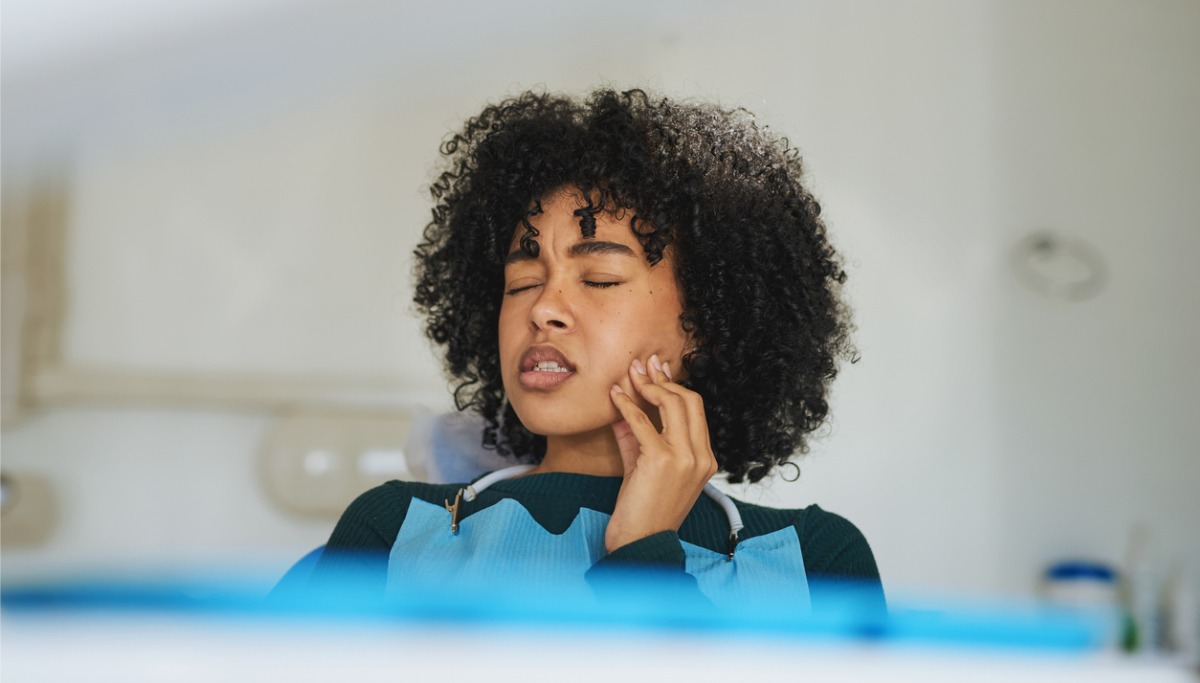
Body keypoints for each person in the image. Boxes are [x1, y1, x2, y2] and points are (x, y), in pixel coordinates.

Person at [301, 88, 883, 613]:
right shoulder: (394, 528)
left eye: (599, 278)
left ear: (704, 322)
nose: (543, 308)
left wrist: (643, 552)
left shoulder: (814, 561)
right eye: (522, 283)